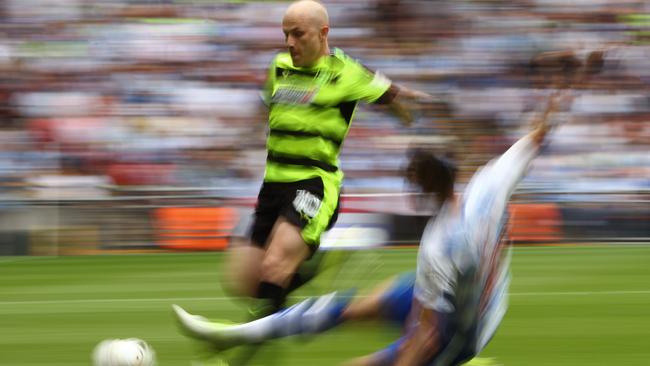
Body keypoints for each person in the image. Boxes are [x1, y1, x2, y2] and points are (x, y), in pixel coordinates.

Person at [174, 95, 561, 365]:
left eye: (412, 181)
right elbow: (537, 136)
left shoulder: (439, 246)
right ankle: (238, 334)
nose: (410, 188)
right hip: (464, 294)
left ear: (423, 187)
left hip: (459, 329)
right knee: (350, 308)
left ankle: (238, 335)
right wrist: (564, 87)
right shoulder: (488, 184)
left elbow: (424, 339)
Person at [223, 0, 434, 318]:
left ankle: (244, 346)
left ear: (323, 33)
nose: (290, 43)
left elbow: (390, 94)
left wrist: (407, 111)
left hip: (314, 183)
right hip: (273, 184)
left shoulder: (346, 71)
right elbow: (266, 103)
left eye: (298, 34)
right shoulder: (279, 66)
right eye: (286, 35)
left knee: (274, 268)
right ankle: (317, 266)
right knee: (242, 282)